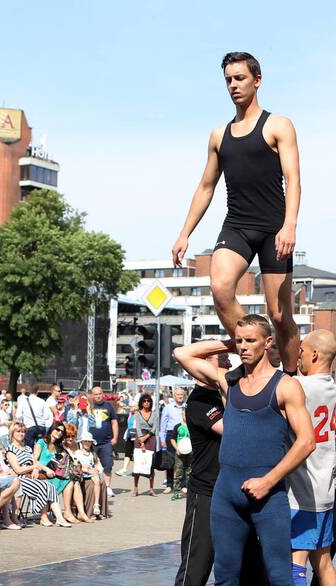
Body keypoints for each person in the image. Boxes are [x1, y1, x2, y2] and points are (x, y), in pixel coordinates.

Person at [175, 315, 314, 586]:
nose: (244, 346)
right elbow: (182, 354)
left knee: (281, 580)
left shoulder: (285, 387)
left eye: (251, 340)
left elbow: (306, 441)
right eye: (239, 340)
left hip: (267, 498)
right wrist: (227, 343)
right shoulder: (227, 382)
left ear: (268, 342)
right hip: (226, 495)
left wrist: (270, 480)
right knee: (225, 577)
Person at [170, 52, 302, 374]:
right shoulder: (219, 135)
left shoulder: (278, 125)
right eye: (228, 80)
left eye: (239, 78)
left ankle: (292, 378)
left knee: (280, 314)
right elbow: (205, 186)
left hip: (274, 228)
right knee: (220, 287)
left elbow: (294, 179)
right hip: (238, 225)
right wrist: (184, 233)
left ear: (257, 80)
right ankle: (257, 359)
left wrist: (289, 226)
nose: (233, 85)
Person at [286, 330, 336, 586]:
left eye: (302, 350)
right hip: (325, 491)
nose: (297, 356)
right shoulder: (331, 389)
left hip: (300, 493)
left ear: (312, 356)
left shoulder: (299, 387)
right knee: (323, 564)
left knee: (296, 567)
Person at [3, 423, 68, 527]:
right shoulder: (10, 449)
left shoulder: (28, 448)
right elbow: (18, 470)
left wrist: (36, 469)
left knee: (50, 486)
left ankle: (59, 518)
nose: (21, 434)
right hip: (18, 478)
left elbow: (35, 462)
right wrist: (33, 468)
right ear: (12, 433)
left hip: (30, 476)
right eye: (18, 431)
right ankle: (43, 517)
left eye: (23, 432)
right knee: (43, 486)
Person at [74, 431, 109, 520]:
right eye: (85, 441)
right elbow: (76, 466)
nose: (87, 443)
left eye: (89, 441)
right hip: (83, 475)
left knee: (101, 481)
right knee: (93, 482)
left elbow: (98, 464)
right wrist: (87, 470)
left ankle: (99, 509)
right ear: (81, 442)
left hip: (93, 474)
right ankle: (90, 511)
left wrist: (99, 470)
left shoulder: (93, 453)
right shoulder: (78, 453)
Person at [87, 386, 119, 481]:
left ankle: (107, 487)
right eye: (96, 394)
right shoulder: (89, 406)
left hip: (106, 442)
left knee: (108, 465)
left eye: (100, 393)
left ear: (103, 394)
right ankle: (95, 486)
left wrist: (115, 438)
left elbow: (114, 423)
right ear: (92, 396)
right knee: (91, 465)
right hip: (90, 443)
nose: (98, 396)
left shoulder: (109, 406)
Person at [159, 387, 187, 492]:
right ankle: (169, 485)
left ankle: (183, 485)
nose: (180, 396)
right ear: (174, 396)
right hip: (171, 435)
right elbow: (163, 425)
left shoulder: (187, 407)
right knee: (170, 461)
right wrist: (162, 439)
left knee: (184, 460)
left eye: (181, 395)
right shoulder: (168, 408)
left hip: (184, 435)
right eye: (178, 395)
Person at [130, 394, 158, 496]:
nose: (146, 403)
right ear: (141, 403)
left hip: (150, 438)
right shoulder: (137, 414)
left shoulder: (154, 414)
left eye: (148, 401)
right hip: (139, 437)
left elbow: (154, 428)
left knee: (150, 463)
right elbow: (137, 427)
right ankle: (136, 488)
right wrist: (141, 440)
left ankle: (151, 488)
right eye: (144, 401)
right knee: (138, 463)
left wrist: (146, 437)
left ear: (151, 403)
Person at [168, 413, 192, 501]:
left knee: (190, 472)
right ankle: (176, 492)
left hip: (190, 453)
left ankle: (190, 491)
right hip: (180, 453)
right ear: (182, 415)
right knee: (178, 472)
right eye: (184, 414)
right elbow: (172, 439)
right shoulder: (177, 426)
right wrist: (177, 449)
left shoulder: (193, 426)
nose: (186, 416)